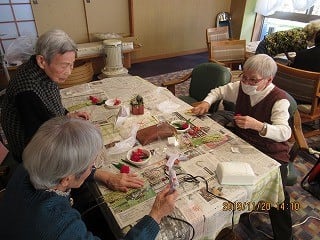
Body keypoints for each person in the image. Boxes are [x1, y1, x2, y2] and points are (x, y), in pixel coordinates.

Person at [0, 29, 144, 191]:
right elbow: (49, 151)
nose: (69, 72)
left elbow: (48, 103)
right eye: (64, 65)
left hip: (45, 133)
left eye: (72, 64)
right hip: (34, 159)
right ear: (42, 60)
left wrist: (66, 115)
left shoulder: (41, 69)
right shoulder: (27, 92)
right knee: (87, 152)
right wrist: (104, 175)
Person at [0, 116, 178, 240]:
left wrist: (105, 176)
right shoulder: (60, 227)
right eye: (91, 165)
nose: (93, 167)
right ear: (65, 180)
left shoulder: (31, 164)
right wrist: (156, 215)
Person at [192, 54, 293, 240]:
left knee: (279, 199)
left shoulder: (279, 100)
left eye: (253, 80)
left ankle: (285, 236)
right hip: (244, 143)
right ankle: (237, 216)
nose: (246, 83)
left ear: (269, 79)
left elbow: (285, 132)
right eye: (244, 77)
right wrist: (207, 102)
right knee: (218, 174)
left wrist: (259, 126)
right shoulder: (241, 88)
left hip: (271, 152)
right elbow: (218, 91)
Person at [255, 19, 320, 60]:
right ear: (315, 32)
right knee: (257, 68)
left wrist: (288, 56)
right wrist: (291, 59)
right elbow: (300, 58)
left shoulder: (301, 31)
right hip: (266, 47)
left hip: (266, 43)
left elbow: (284, 44)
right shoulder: (302, 39)